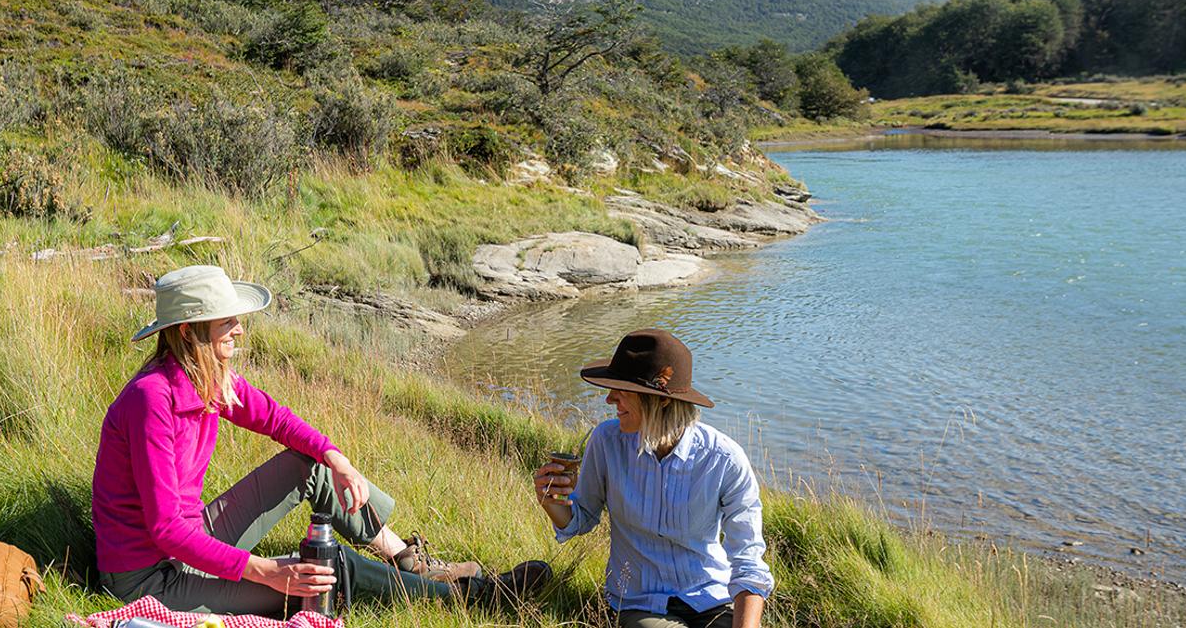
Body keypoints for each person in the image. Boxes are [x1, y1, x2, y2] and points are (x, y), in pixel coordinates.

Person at [93, 265, 548, 616]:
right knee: (326, 570)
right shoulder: (151, 400)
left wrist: (336, 457)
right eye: (226, 321)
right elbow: (165, 529)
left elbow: (274, 417)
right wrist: (267, 571)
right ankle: (469, 599)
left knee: (310, 464)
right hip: (151, 579)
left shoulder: (208, 377)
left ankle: (407, 561)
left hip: (190, 540)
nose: (239, 329)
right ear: (189, 331)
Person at [533, 329, 773, 628]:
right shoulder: (606, 442)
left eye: (621, 389)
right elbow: (581, 519)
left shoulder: (723, 459)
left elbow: (748, 559)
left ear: (659, 400)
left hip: (712, 598)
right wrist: (552, 501)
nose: (609, 399)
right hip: (640, 603)